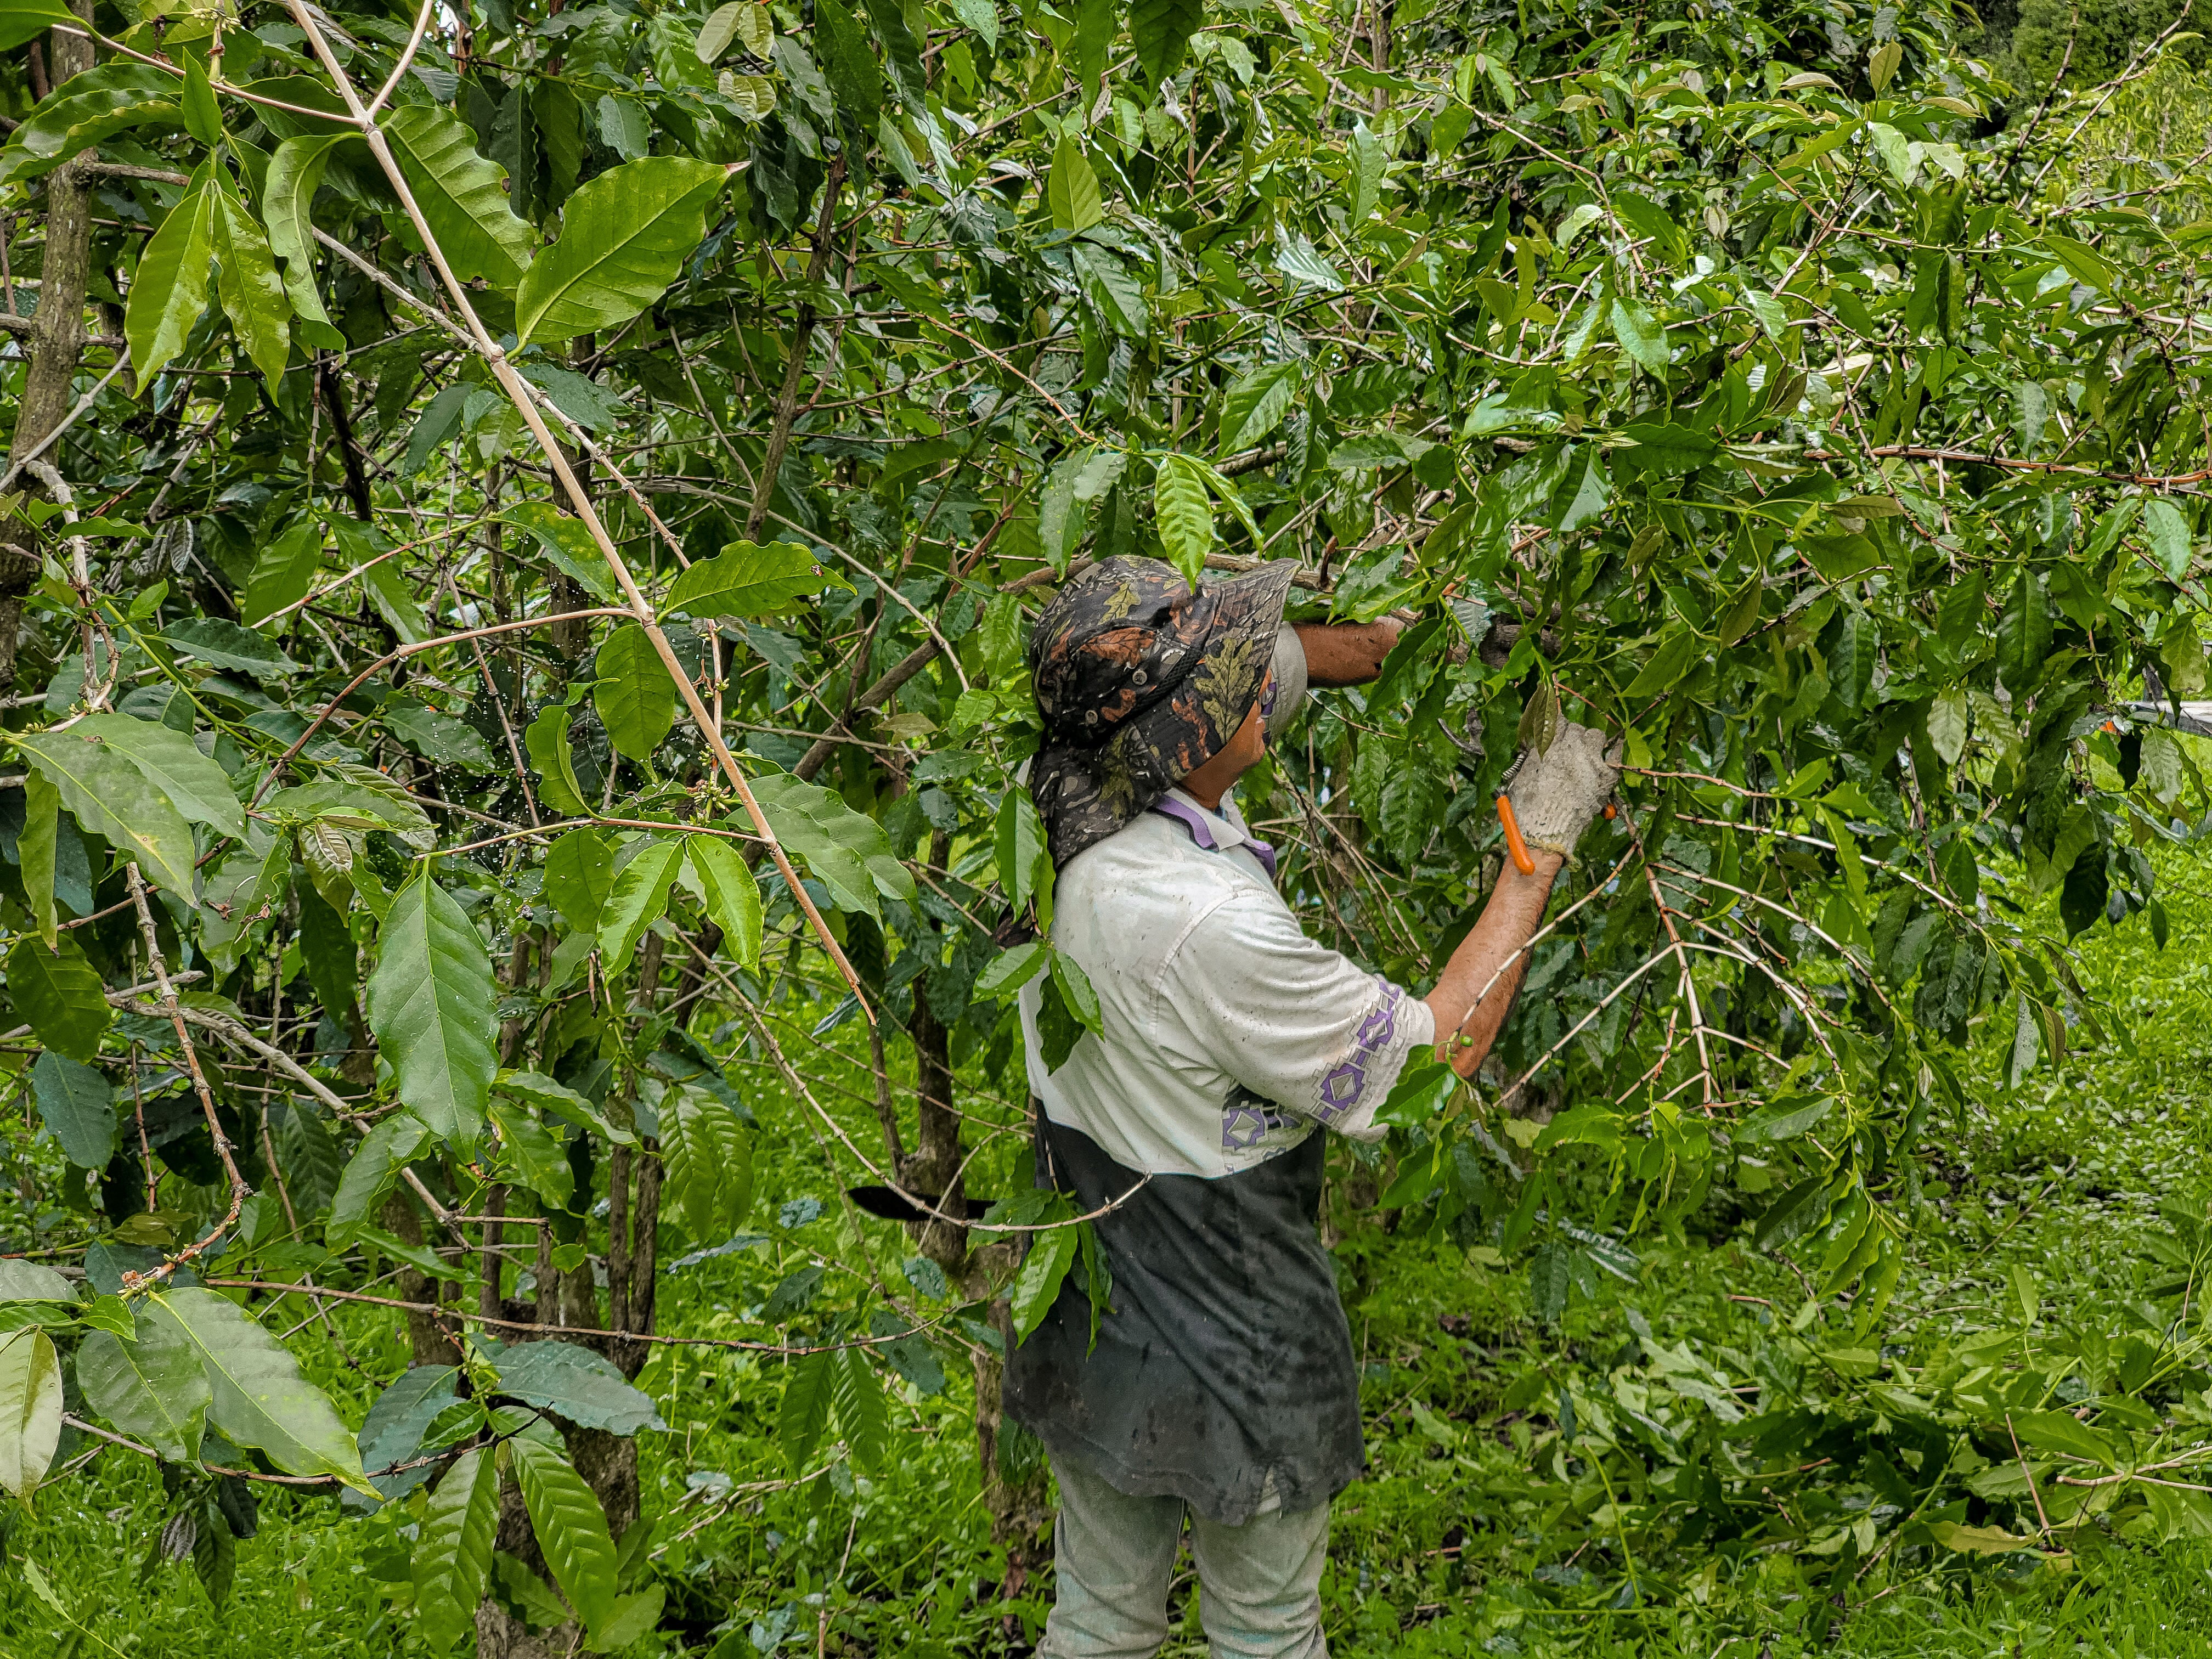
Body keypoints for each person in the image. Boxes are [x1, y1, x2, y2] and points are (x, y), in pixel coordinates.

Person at [1007, 556, 1621, 1659]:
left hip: (1092, 1288)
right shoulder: (1202, 926)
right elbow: (1439, 1055)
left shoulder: (1073, 786)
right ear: (1197, 732)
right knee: (1268, 1633)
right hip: (1232, 1307)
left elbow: (1295, 667)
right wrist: (1538, 849)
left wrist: (1434, 637)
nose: (1266, 679)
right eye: (1239, 675)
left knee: (1096, 1623)